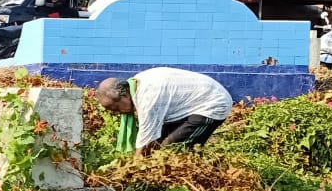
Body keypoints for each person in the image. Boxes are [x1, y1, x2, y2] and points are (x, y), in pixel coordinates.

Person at [96, 67, 233, 156]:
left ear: (124, 96)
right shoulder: (136, 84)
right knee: (159, 145)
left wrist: (132, 170)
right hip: (189, 104)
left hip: (212, 104)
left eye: (114, 108)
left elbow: (145, 139)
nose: (116, 112)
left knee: (171, 149)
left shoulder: (148, 97)